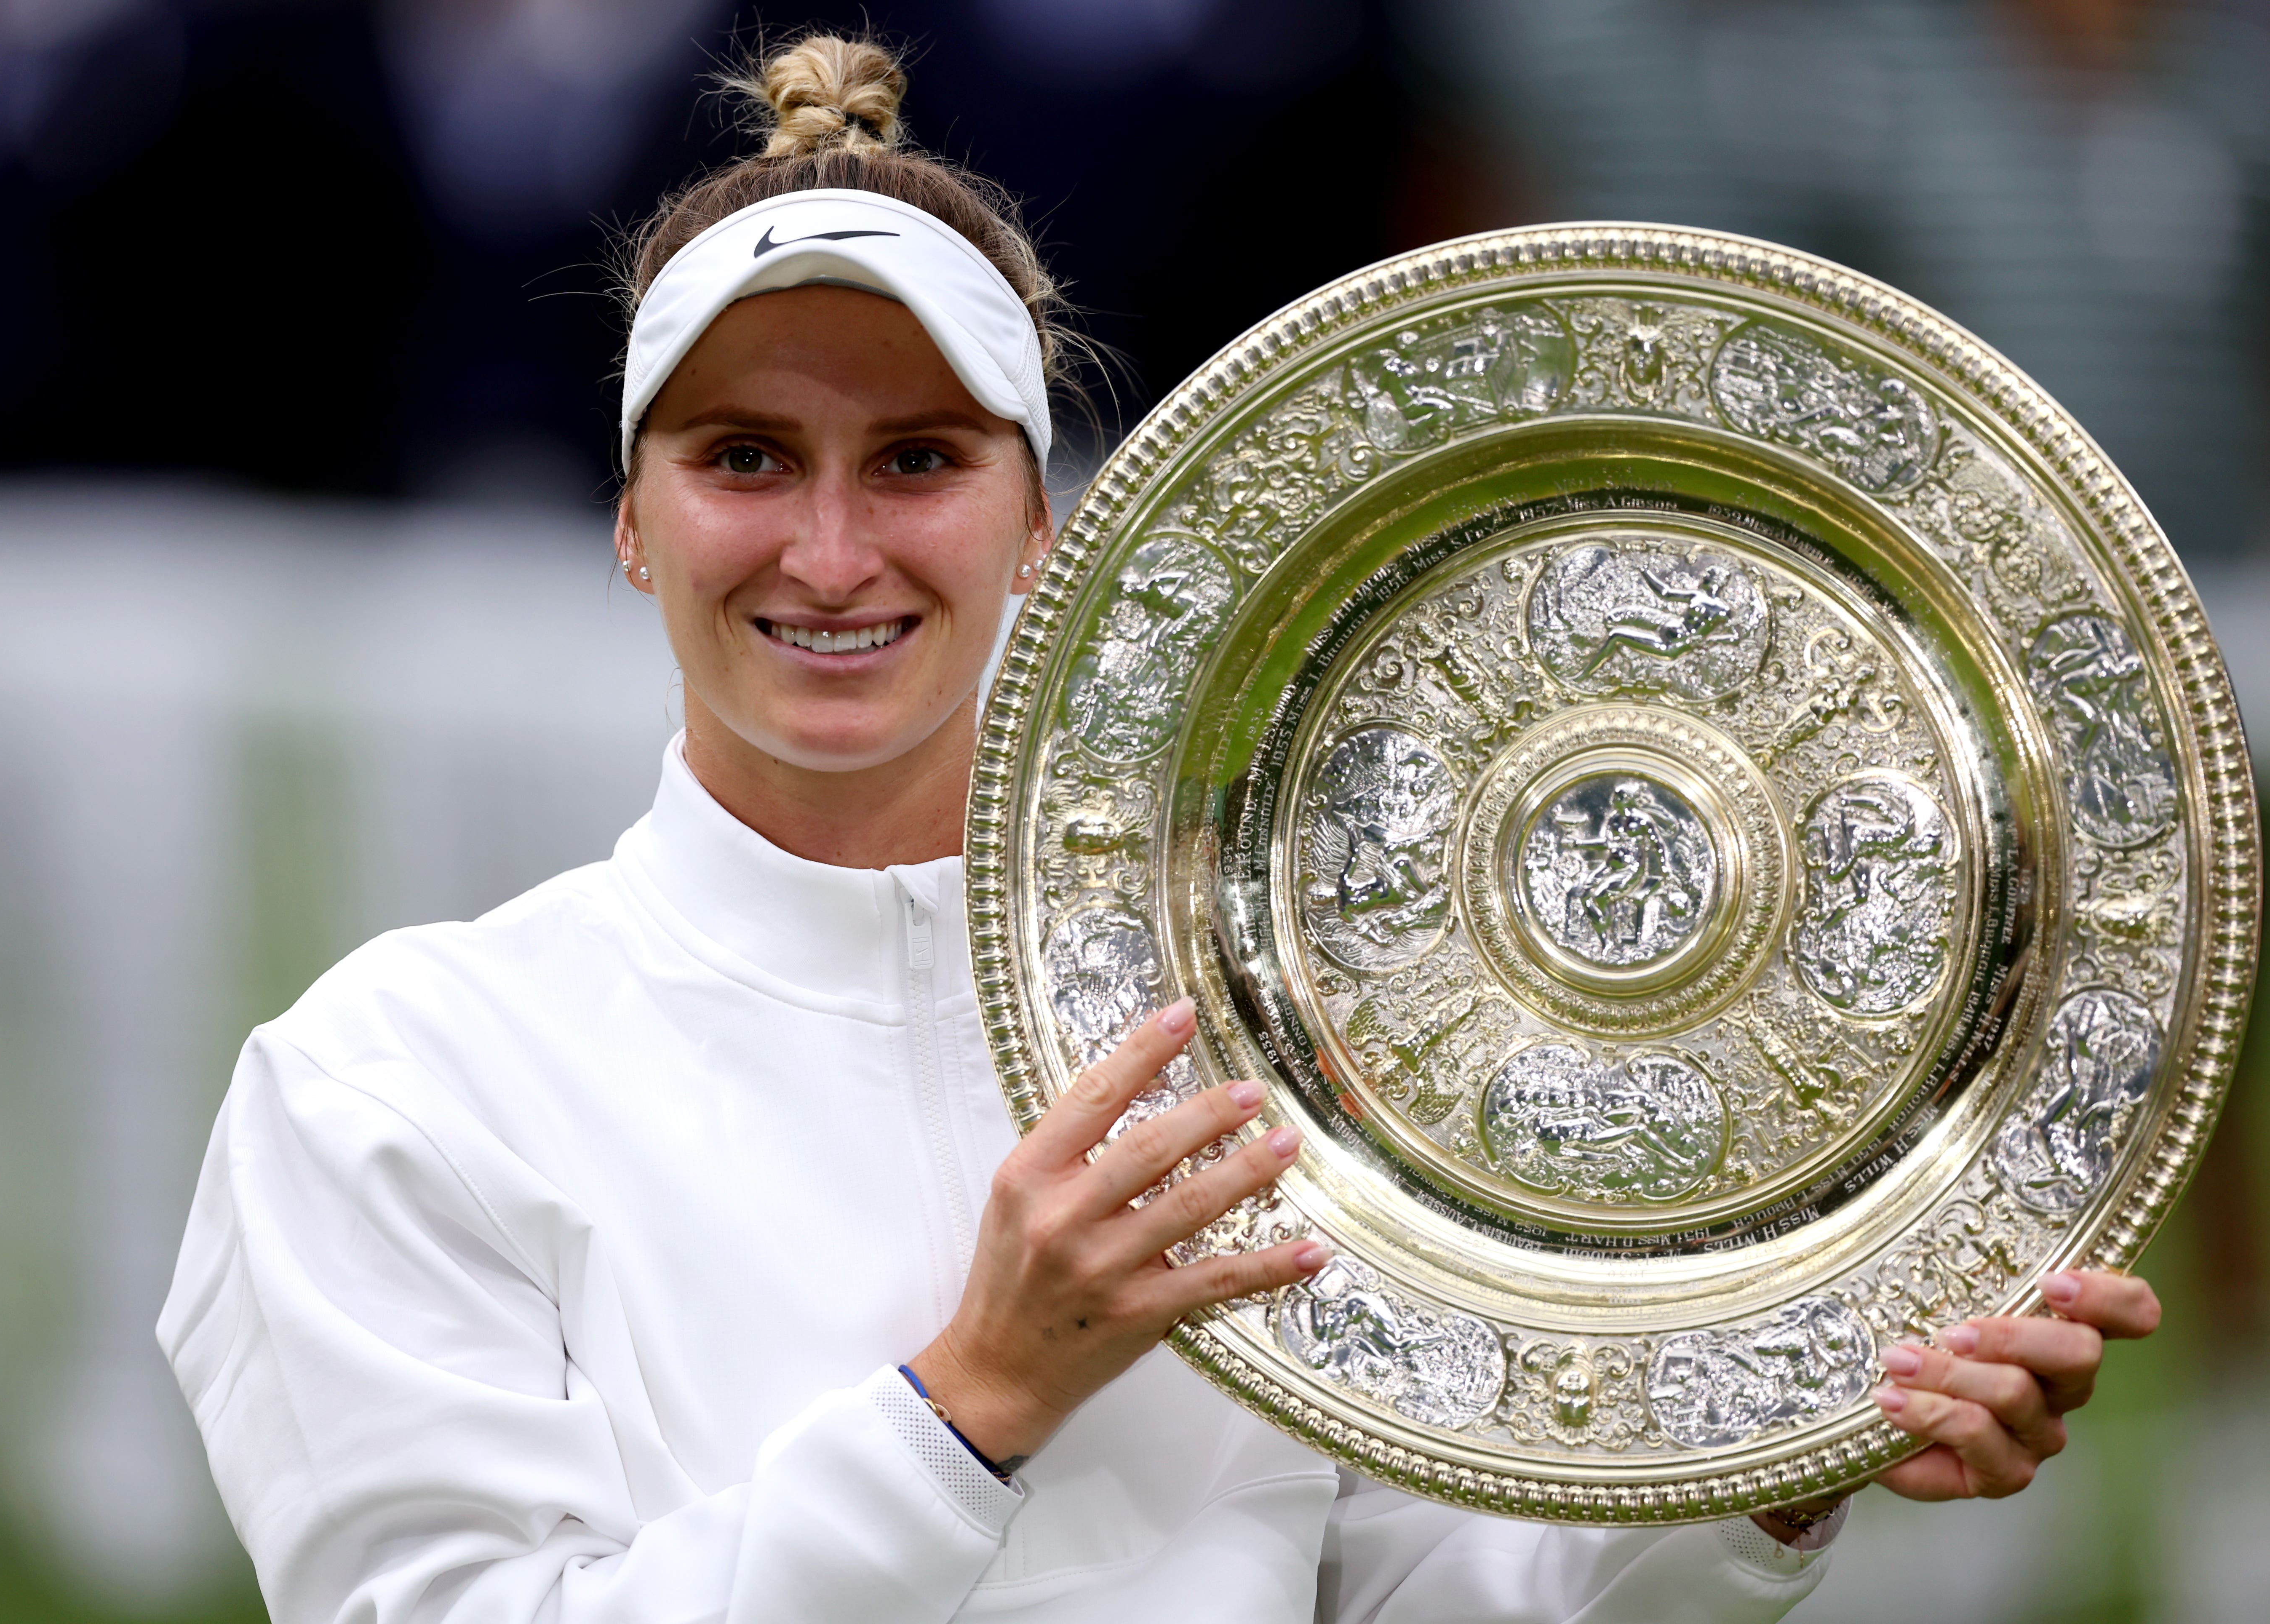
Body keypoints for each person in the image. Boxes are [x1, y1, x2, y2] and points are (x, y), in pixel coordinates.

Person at [157, 33, 2161, 1624]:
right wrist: (978, 1403)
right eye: (746, 457)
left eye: (921, 459)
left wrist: (1780, 1469)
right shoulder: (390, 1083)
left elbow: (1427, 1600)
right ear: (631, 519)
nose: (832, 548)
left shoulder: (1260, 1046)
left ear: (1044, 524)